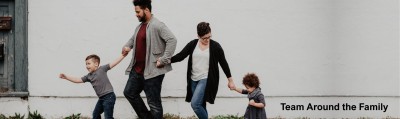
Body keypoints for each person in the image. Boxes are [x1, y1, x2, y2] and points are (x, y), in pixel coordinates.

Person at [121, 0, 177, 118]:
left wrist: (163, 59)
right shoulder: (140, 26)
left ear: (146, 9)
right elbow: (133, 39)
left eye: (138, 11)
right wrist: (127, 46)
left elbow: (172, 40)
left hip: (152, 72)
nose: (136, 14)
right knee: (129, 92)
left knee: (154, 104)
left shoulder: (158, 25)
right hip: (137, 70)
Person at [169, 22, 235, 119]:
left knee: (195, 104)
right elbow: (180, 56)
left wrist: (230, 80)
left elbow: (223, 63)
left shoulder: (216, 47)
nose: (207, 40)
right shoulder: (193, 44)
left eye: (209, 37)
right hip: (193, 79)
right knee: (201, 105)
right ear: (198, 36)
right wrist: (165, 61)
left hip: (206, 79)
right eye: (204, 38)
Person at [59, 53, 127, 119]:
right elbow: (78, 80)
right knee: (95, 114)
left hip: (109, 96)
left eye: (89, 63)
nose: (87, 66)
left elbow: (114, 63)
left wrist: (123, 55)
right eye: (86, 64)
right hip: (101, 98)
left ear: (96, 64)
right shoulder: (89, 76)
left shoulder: (102, 69)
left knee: (108, 117)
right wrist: (66, 77)